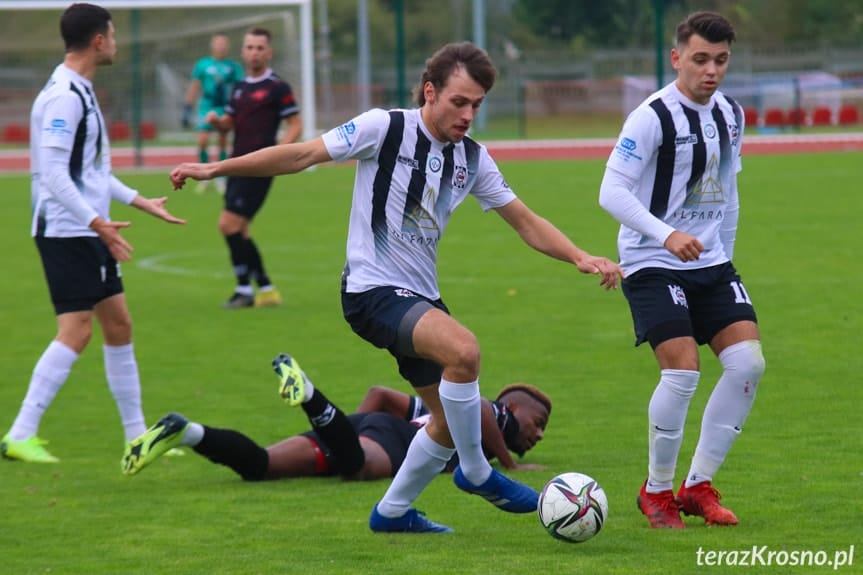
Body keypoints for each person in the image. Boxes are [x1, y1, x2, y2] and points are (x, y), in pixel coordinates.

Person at [169, 41, 622, 533]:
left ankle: (392, 512)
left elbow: (525, 221)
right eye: (459, 102)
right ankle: (476, 472)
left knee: (447, 420)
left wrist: (580, 255)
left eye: (477, 105)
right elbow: (301, 154)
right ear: (430, 91)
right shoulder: (384, 128)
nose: (469, 114)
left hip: (418, 298)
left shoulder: (472, 158)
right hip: (371, 292)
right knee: (464, 351)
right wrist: (216, 167)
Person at [598, 12, 765, 529]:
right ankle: (657, 492)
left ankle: (697, 487)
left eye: (720, 60)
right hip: (651, 262)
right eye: (700, 60)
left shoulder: (731, 114)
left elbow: (729, 192)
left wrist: (725, 255)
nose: (711, 71)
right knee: (683, 370)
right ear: (676, 58)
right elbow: (611, 192)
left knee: (748, 365)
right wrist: (665, 234)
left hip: (711, 264)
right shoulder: (651, 116)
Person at [0, 3, 186, 464]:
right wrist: (95, 222)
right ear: (99, 40)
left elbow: (89, 173)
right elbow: (55, 177)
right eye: (114, 34)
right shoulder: (65, 96)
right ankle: (20, 434)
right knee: (76, 330)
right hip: (67, 232)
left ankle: (136, 437)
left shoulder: (79, 89)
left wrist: (138, 201)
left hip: (82, 229)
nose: (117, 41)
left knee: (118, 325)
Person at [121, 354, 551, 482]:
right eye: (539, 424)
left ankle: (186, 431)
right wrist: (513, 465)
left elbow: (381, 395)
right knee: (360, 468)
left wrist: (347, 430)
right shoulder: (486, 409)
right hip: (393, 442)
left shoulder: (455, 415)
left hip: (359, 430)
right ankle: (309, 395)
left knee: (260, 467)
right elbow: (479, 411)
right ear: (512, 409)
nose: (539, 435)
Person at [205, 26, 302, 309]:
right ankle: (265, 289)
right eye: (249, 47)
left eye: (260, 48)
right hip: (236, 164)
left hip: (259, 167)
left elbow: (295, 124)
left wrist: (280, 152)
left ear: (268, 52)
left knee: (227, 224)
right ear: (243, 52)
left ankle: (245, 289)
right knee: (240, 230)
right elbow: (230, 124)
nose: (254, 52)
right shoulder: (238, 88)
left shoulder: (277, 88)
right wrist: (216, 121)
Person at [182, 33, 244, 195]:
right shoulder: (203, 64)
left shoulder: (233, 66)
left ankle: (221, 177)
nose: (221, 47)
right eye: (218, 43)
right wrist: (187, 107)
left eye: (224, 44)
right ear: (213, 45)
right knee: (202, 139)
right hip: (207, 105)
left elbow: (240, 88)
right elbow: (195, 85)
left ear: (227, 46)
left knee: (222, 140)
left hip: (225, 106)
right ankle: (204, 176)